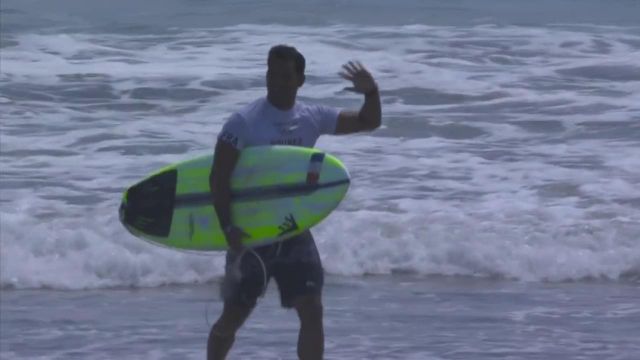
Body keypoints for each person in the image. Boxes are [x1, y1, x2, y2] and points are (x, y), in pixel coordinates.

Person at [207, 44, 381, 360]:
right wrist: (228, 226)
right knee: (233, 317)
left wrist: (371, 93)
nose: (276, 80)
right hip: (251, 233)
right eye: (271, 73)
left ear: (300, 80)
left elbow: (369, 122)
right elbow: (217, 178)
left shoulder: (311, 118)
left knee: (312, 310)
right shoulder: (243, 123)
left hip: (293, 229)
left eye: (285, 75)